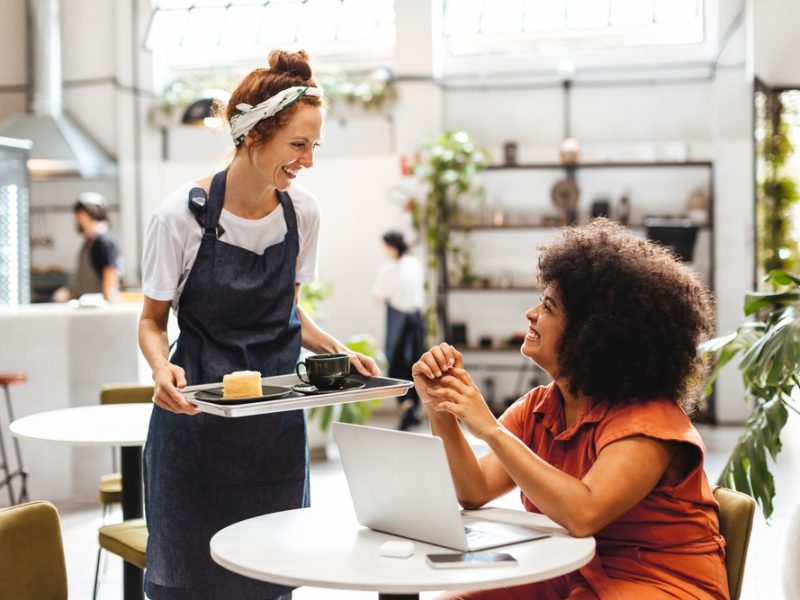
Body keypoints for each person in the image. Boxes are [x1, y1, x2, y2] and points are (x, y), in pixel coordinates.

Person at [138, 49, 380, 600]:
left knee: (269, 579)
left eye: (315, 146)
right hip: (195, 421)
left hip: (273, 428)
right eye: (298, 145)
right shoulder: (181, 215)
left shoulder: (303, 214)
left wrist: (342, 353)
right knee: (189, 581)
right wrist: (159, 370)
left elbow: (288, 311)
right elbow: (152, 321)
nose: (308, 162)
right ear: (252, 135)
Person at [412, 218, 728, 599]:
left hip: (658, 578)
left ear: (591, 333)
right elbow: (473, 490)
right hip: (568, 569)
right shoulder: (542, 407)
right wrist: (439, 407)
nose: (530, 314)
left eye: (547, 306)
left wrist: (490, 430)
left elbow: (584, 514)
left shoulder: (649, 421)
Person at [372, 230, 425, 430]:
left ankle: (405, 405)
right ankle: (413, 406)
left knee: (395, 363)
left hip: (398, 320)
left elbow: (377, 296)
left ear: (391, 246)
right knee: (416, 363)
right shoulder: (415, 264)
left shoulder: (388, 269)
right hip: (417, 319)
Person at [71, 192, 122, 302]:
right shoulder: (90, 242)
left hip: (97, 308)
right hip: (88, 306)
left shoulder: (104, 242)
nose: (77, 219)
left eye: (79, 214)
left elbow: (110, 280)